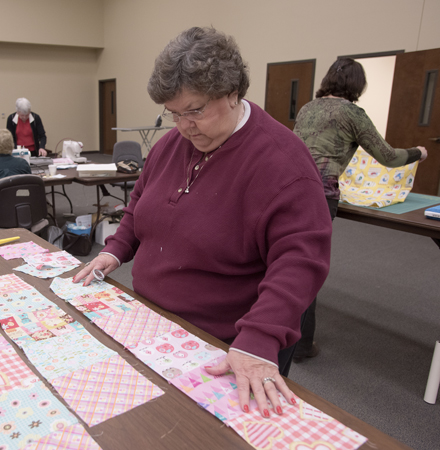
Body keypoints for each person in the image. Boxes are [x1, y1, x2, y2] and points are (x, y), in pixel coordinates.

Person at [74, 27, 333, 418]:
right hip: (155, 323)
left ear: (233, 93)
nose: (183, 126)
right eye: (173, 114)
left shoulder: (283, 163)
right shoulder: (171, 145)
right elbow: (140, 203)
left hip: (227, 343)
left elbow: (300, 261)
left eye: (195, 110)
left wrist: (259, 336)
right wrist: (116, 250)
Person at [292, 58, 428, 363]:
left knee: (283, 260)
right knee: (306, 269)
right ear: (358, 86)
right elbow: (389, 157)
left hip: (286, 190)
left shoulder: (306, 109)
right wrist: (418, 153)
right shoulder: (353, 114)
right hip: (317, 198)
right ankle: (299, 346)